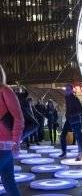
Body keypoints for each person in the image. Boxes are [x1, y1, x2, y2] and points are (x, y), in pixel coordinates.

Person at [0, 65, 24, 196]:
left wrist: (15, 141)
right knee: (8, 180)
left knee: (8, 180)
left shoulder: (5, 91)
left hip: (5, 145)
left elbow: (18, 117)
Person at [59, 84, 82, 161]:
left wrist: (71, 114)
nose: (66, 90)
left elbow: (80, 110)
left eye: (67, 89)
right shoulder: (67, 98)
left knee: (78, 136)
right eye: (66, 89)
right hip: (69, 120)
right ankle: (64, 152)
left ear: (71, 90)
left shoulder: (75, 98)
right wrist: (67, 114)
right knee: (63, 135)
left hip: (76, 120)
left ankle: (80, 153)